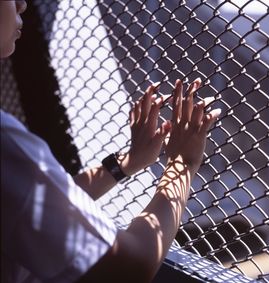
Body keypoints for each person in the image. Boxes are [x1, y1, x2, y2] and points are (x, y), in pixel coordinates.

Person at [1, 1, 222, 283]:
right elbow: (131, 267)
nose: (22, 3)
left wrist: (127, 163)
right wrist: (183, 163)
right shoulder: (5, 138)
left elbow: (36, 200)